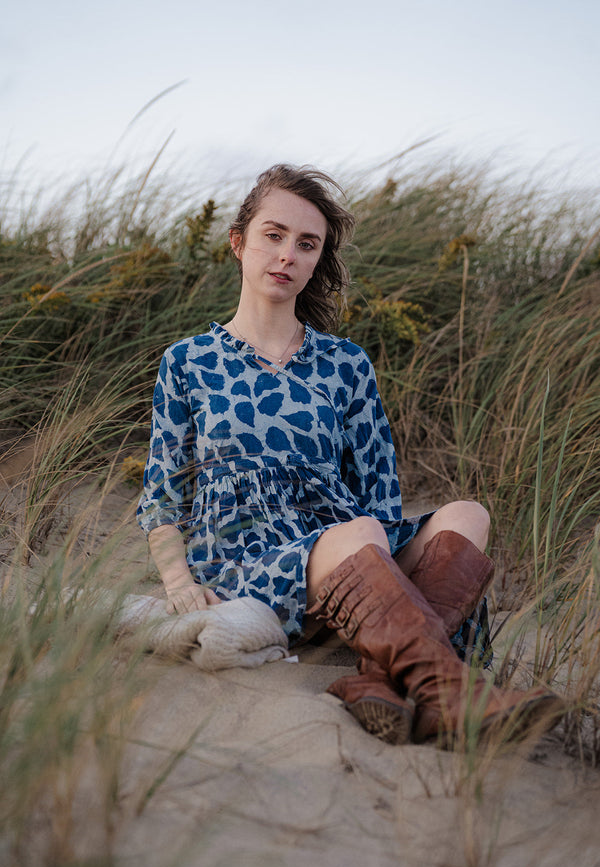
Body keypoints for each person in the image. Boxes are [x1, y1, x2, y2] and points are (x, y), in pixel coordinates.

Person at [137, 164, 564, 748]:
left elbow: (380, 492)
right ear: (239, 242)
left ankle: (378, 680)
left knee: (467, 515)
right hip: (247, 555)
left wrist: (376, 544)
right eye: (273, 234)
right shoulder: (188, 361)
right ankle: (444, 689)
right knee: (358, 531)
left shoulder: (345, 363)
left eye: (306, 244)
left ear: (317, 261)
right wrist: (177, 581)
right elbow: (162, 494)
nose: (287, 254)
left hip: (353, 546)